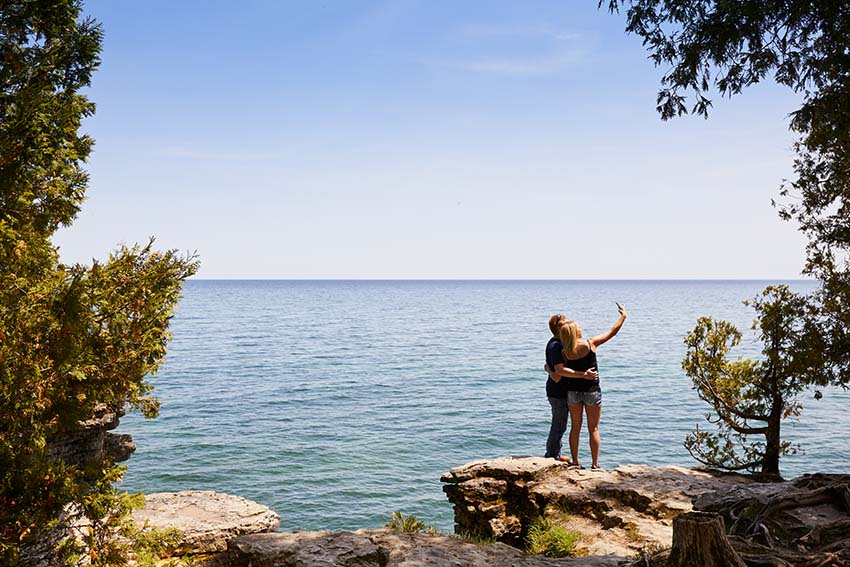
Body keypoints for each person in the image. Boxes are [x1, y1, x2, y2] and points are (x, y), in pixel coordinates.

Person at [552, 304, 627, 470]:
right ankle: (594, 464)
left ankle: (576, 462)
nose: (581, 328)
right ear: (575, 332)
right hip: (591, 391)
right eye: (578, 327)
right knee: (593, 428)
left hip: (573, 393)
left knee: (575, 428)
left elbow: (561, 370)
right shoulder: (589, 343)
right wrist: (623, 316)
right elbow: (612, 332)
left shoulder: (565, 351)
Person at [544, 314, 599, 462]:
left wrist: (548, 369)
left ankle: (556, 453)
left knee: (562, 424)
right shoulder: (556, 346)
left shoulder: (562, 343)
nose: (567, 324)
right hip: (558, 392)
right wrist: (583, 375)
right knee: (559, 424)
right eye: (563, 324)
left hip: (564, 391)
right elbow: (558, 375)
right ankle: (552, 455)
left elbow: (551, 368)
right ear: (557, 328)